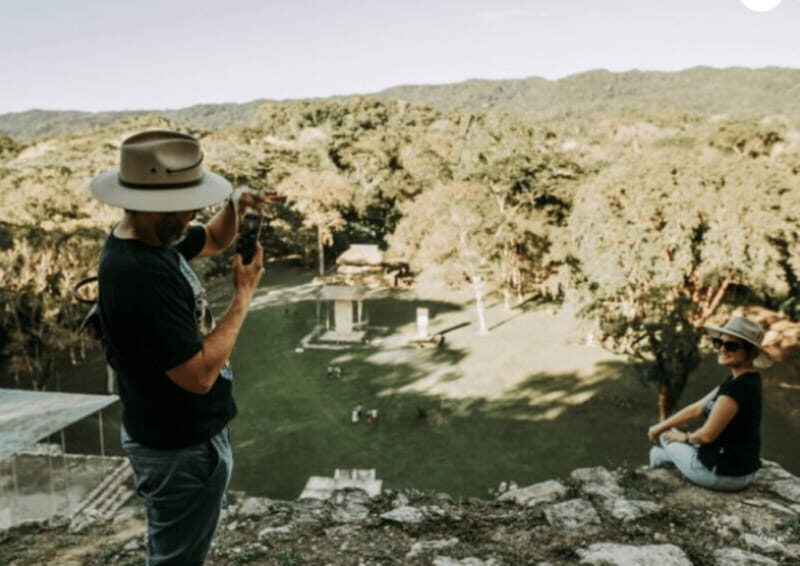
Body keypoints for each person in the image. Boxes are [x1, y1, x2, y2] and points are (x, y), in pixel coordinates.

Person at [90, 130, 272, 564]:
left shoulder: (153, 241)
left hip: (184, 438)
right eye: (187, 204)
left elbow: (214, 239)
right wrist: (243, 295)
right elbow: (199, 376)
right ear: (153, 206)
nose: (194, 213)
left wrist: (236, 206)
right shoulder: (140, 274)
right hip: (177, 448)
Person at [647, 316, 769, 492]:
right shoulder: (744, 380)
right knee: (657, 453)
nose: (722, 349)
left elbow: (706, 436)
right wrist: (660, 425)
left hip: (722, 475)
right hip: (741, 471)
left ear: (751, 353)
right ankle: (656, 478)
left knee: (664, 436)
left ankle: (655, 488)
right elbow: (697, 408)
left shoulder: (738, 388)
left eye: (731, 346)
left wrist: (682, 437)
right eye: (719, 342)